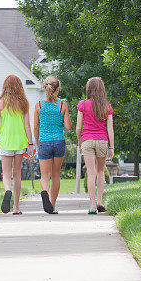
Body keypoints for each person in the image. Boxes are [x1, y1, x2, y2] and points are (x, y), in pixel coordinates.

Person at [0, 74, 34, 214]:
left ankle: (7, 191)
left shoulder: (1, 102)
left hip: (5, 142)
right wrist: (30, 143)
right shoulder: (24, 103)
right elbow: (27, 126)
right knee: (17, 174)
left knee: (6, 173)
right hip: (20, 142)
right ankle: (16, 208)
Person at [76, 77, 114, 214]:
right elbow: (110, 129)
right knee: (100, 171)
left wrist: (80, 140)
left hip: (87, 140)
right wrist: (112, 147)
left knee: (90, 173)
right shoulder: (107, 106)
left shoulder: (83, 104)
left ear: (89, 89)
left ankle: (92, 206)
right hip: (102, 141)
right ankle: (100, 201)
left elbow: (78, 127)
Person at [33, 76, 72, 214]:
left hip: (44, 142)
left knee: (45, 176)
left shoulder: (38, 105)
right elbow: (68, 127)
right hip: (59, 142)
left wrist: (37, 143)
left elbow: (36, 127)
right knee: (56, 175)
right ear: (58, 89)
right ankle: (53, 206)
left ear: (45, 88)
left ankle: (45, 192)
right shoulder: (62, 105)